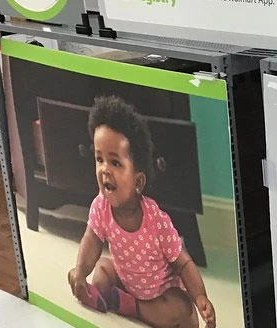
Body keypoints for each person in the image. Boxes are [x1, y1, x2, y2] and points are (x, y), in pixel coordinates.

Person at [67, 96, 216, 328]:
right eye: (99, 159)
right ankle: (109, 297)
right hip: (128, 280)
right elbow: (92, 241)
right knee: (102, 271)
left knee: (179, 310)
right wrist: (80, 271)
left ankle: (127, 305)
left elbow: (183, 263)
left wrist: (199, 297)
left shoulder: (156, 221)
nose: (104, 169)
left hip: (163, 291)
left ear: (138, 181)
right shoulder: (101, 206)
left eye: (115, 163)